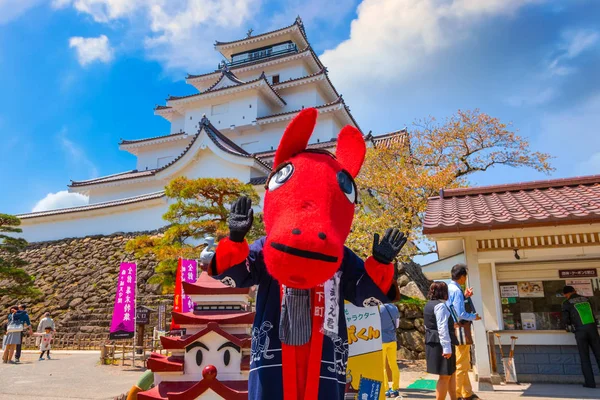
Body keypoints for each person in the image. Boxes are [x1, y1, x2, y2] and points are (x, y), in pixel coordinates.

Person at [447, 264, 480, 400]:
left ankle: (467, 392)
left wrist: (465, 296)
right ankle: (457, 394)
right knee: (461, 363)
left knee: (463, 362)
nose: (465, 279)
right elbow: (460, 313)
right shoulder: (456, 290)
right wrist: (474, 317)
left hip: (452, 328)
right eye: (465, 276)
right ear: (462, 277)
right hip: (461, 328)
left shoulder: (449, 288)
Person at [562, 285, 600, 388]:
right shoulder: (587, 299)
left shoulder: (567, 303)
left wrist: (568, 327)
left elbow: (565, 320)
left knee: (585, 357)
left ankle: (590, 383)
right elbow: (594, 313)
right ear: (575, 291)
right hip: (593, 330)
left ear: (566, 294)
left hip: (580, 331)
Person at [425, 282, 458, 400]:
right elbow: (442, 328)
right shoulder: (440, 306)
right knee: (444, 376)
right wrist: (447, 348)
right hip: (442, 343)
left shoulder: (428, 305)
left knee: (451, 373)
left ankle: (454, 397)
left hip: (432, 341)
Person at [380, 303, 401, 397]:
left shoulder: (378, 308)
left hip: (381, 340)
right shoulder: (394, 308)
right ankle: (395, 388)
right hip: (392, 339)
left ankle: (386, 389)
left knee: (382, 366)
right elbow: (397, 325)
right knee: (394, 365)